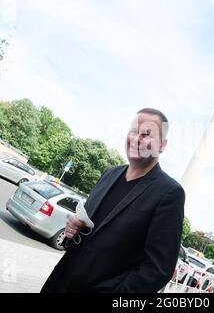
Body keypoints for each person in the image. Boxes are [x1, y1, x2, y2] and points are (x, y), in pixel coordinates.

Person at [40, 108, 185, 293]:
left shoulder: (169, 193)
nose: (136, 139)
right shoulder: (110, 174)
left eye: (146, 134)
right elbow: (89, 231)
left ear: (162, 145)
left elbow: (158, 270)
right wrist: (74, 230)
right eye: (134, 131)